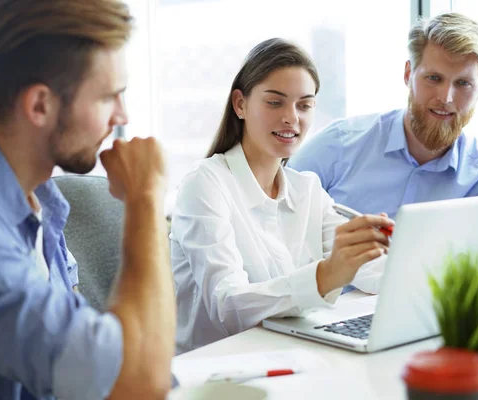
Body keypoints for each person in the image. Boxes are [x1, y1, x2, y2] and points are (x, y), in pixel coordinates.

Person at [0, 1, 175, 399]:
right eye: (108, 97)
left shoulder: (35, 190)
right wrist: (145, 198)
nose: (122, 115)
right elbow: (137, 380)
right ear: (40, 105)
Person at [169, 38, 394, 354]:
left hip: (288, 356)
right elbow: (229, 306)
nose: (292, 117)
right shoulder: (205, 185)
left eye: (304, 105)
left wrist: (398, 259)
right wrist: (326, 275)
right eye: (275, 102)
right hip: (214, 369)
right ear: (240, 104)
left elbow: (371, 273)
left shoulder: (307, 190)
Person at [288, 13, 478, 221]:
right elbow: (272, 214)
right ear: (408, 74)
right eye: (434, 78)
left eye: (463, 83)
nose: (446, 98)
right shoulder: (338, 145)